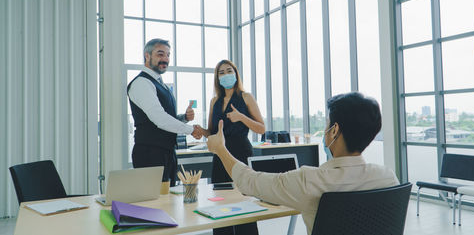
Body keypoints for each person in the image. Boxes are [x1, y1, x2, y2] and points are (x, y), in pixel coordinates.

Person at [207, 92, 400, 235]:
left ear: (334, 131)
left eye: (326, 124)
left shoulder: (310, 180)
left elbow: (249, 181)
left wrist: (221, 150)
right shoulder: (387, 177)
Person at [199, 59, 265, 235]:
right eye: (221, 72)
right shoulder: (214, 101)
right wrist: (200, 131)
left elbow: (261, 127)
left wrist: (241, 117)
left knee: (244, 201)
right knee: (221, 203)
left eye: (229, 71)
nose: (226, 75)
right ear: (217, 78)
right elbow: (212, 132)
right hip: (220, 155)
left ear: (236, 74)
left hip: (241, 152)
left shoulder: (246, 97)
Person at [127, 38, 203, 188]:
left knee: (168, 201)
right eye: (160, 54)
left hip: (166, 152)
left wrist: (184, 118)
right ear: (147, 55)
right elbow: (159, 119)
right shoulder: (142, 83)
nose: (165, 59)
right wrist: (191, 130)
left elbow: (165, 116)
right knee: (153, 204)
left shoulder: (160, 84)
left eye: (168, 55)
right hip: (150, 154)